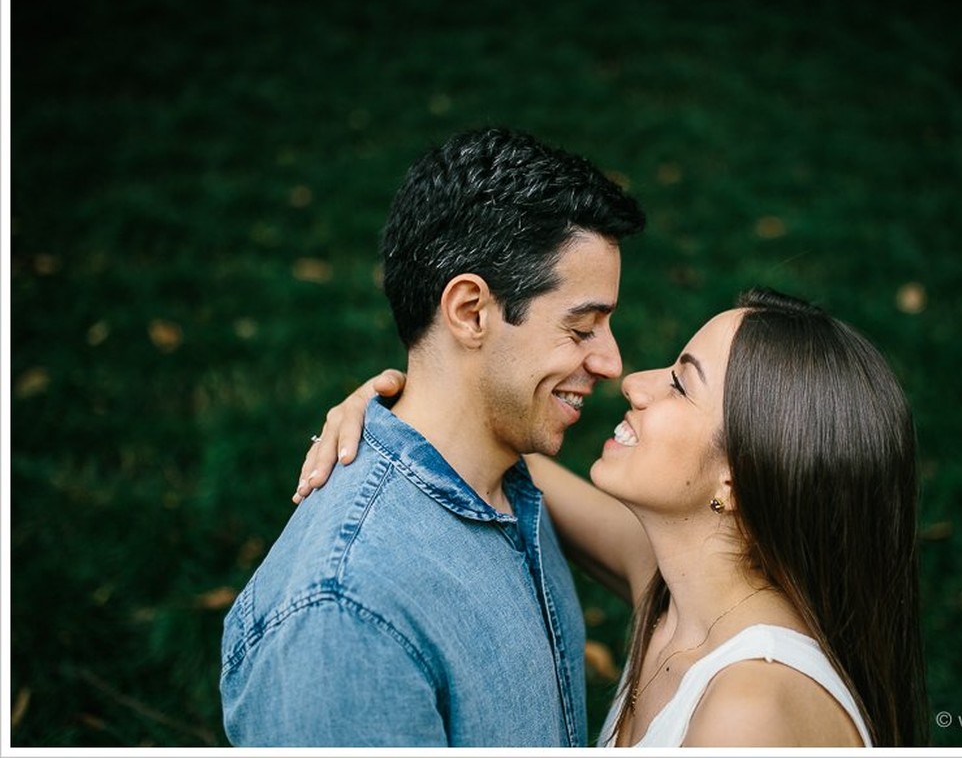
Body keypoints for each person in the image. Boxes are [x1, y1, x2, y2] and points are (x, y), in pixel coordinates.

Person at [301, 288, 929, 746]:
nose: (635, 382)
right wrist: (401, 409)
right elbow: (478, 445)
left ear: (737, 478)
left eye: (682, 385)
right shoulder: (679, 592)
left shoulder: (750, 711)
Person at [220, 127, 647, 746]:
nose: (611, 363)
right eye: (582, 328)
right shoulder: (346, 616)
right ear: (471, 311)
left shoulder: (503, 480)